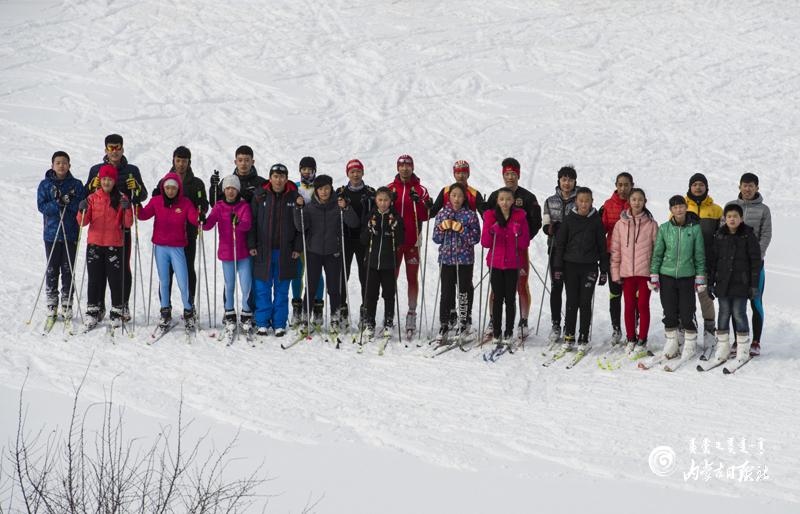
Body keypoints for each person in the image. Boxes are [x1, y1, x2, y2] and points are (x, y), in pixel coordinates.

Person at [85, 134, 147, 320]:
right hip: (99, 229)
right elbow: (86, 196)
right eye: (111, 148)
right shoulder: (96, 170)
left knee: (122, 268)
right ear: (105, 150)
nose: (114, 151)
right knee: (99, 270)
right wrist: (91, 186)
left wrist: (136, 188)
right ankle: (98, 305)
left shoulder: (131, 170)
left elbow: (142, 195)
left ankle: (122, 304)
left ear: (122, 149)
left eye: (117, 147)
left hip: (121, 228)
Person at [483, 158, 542, 336]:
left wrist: (523, 238)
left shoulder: (528, 197)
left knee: (521, 285)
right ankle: (493, 319)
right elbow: (487, 218)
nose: (510, 177)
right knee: (497, 288)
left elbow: (536, 221)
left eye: (513, 174)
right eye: (507, 174)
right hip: (499, 250)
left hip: (519, 249)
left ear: (518, 175)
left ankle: (523, 320)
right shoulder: (495, 196)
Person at [294, 174, 359, 331]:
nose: (324, 192)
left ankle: (335, 319)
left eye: (327, 188)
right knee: (311, 287)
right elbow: (300, 227)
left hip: (333, 253)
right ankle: (305, 318)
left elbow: (354, 223)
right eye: (320, 189)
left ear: (331, 189)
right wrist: (298, 209)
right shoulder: (309, 207)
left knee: (334, 288)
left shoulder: (338, 206)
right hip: (313, 252)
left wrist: (346, 208)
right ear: (316, 190)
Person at [138, 172, 200, 330]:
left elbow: (193, 218)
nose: (170, 191)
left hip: (177, 248)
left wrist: (200, 216)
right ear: (163, 188)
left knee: (183, 281)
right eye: (167, 188)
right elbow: (143, 215)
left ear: (178, 189)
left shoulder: (185, 203)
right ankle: (165, 311)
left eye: (173, 188)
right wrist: (136, 202)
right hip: (160, 248)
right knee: (164, 281)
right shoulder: (156, 201)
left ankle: (188, 311)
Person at [552, 187, 609, 353]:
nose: (584, 204)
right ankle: (569, 335)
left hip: (589, 267)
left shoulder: (596, 221)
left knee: (585, 302)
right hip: (570, 266)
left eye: (587, 201)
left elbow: (602, 246)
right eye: (581, 201)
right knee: (572, 301)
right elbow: (560, 245)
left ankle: (583, 336)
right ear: (576, 201)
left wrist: (604, 270)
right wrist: (558, 267)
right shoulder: (569, 219)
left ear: (592, 202)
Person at [151, 146, 208, 309]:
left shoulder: (196, 184)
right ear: (173, 161)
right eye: (178, 160)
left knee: (188, 270)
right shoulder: (164, 181)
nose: (181, 164)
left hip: (188, 235)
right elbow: (156, 202)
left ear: (189, 162)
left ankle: (189, 305)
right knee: (166, 272)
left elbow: (203, 204)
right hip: (166, 236)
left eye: (184, 161)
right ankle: (165, 306)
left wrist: (201, 209)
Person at [649, 195, 706, 360]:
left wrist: (700, 278)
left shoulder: (694, 229)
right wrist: (654, 276)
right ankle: (672, 342)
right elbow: (657, 254)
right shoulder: (664, 228)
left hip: (687, 276)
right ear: (671, 210)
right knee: (669, 312)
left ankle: (690, 343)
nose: (678, 209)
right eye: (675, 207)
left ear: (686, 207)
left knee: (687, 312)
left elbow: (699, 255)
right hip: (666, 276)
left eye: (681, 206)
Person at [77, 165, 133, 328]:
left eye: (110, 179)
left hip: (114, 245)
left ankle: (117, 311)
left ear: (114, 181)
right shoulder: (92, 198)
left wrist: (127, 208)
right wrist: (81, 210)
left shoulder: (121, 198)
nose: (106, 182)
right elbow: (83, 222)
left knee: (115, 280)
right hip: (95, 244)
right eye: (104, 179)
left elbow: (128, 223)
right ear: (100, 180)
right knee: (94, 278)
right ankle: (93, 311)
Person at [248, 163, 301, 337]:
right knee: (262, 288)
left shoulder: (294, 197)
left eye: (282, 177)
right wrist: (252, 244)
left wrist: (297, 247)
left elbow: (300, 226)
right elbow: (252, 222)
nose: (278, 180)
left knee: (282, 290)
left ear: (286, 179)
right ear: (270, 178)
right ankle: (262, 322)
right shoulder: (259, 196)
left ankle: (279, 323)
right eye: (275, 177)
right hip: (263, 250)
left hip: (286, 251)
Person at [707, 204, 761, 363]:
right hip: (723, 283)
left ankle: (742, 349)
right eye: (729, 216)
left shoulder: (748, 235)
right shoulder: (719, 235)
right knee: (723, 313)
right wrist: (711, 282)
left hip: (741, 283)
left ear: (741, 219)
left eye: (735, 216)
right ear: (724, 219)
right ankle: (723, 347)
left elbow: (755, 262)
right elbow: (713, 261)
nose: (732, 219)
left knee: (739, 313)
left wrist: (753, 285)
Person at [725, 172, 772, 356]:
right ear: (739, 186)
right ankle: (739, 340)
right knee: (737, 302)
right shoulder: (731, 206)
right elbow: (723, 230)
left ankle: (756, 341)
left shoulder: (764, 210)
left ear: (757, 188)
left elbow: (766, 234)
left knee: (756, 301)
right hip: (735, 265)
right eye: (745, 185)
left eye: (751, 185)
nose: (747, 189)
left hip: (755, 264)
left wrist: (755, 256)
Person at [37, 151, 86, 321]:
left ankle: (67, 301)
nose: (61, 166)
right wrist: (57, 202)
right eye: (58, 163)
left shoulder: (76, 184)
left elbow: (81, 206)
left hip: (70, 232)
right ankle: (52, 302)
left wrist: (69, 201)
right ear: (52, 165)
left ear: (69, 165)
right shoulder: (45, 185)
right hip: (51, 233)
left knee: (68, 268)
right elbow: (42, 207)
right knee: (52, 268)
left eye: (64, 163)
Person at [387, 154, 432, 338]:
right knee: (391, 277)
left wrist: (419, 202)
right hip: (394, 241)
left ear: (412, 167)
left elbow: (426, 215)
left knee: (412, 277)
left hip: (413, 241)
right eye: (401, 165)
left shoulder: (420, 189)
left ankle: (412, 313)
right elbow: (381, 209)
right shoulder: (390, 188)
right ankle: (389, 312)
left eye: (408, 165)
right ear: (397, 168)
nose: (405, 168)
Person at [202, 175, 253, 336]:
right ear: (224, 190)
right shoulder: (219, 206)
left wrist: (238, 222)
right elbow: (208, 225)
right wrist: (202, 220)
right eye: (228, 188)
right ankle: (229, 313)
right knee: (229, 285)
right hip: (227, 253)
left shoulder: (244, 206)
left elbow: (247, 224)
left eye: (233, 188)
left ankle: (246, 314)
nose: (230, 191)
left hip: (243, 253)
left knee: (246, 285)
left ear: (238, 190)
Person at [610, 188, 658, 354]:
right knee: (629, 306)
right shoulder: (620, 224)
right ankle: (631, 337)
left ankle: (642, 339)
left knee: (643, 305)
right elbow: (615, 250)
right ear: (629, 202)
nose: (637, 202)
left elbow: (657, 251)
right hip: (627, 274)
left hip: (645, 274)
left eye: (640, 199)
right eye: (634, 199)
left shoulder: (651, 224)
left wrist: (655, 274)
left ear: (645, 202)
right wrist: (616, 272)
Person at [432, 182, 481, 341]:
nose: (456, 199)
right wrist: (442, 228)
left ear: (464, 197)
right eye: (453, 195)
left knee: (463, 291)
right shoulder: (442, 214)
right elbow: (436, 238)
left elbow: (475, 238)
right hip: (446, 259)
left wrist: (462, 229)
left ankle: (464, 321)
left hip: (464, 259)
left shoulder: (470, 215)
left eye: (460, 196)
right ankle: (444, 323)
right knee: (446, 292)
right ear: (449, 197)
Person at [481, 188, 530, 344]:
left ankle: (508, 331)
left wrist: (519, 233)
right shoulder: (490, 216)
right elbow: (485, 242)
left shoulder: (520, 217)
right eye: (502, 199)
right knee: (497, 297)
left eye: (508, 199)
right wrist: (491, 231)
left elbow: (524, 243)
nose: (505, 202)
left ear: (513, 201)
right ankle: (496, 331)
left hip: (512, 263)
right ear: (497, 200)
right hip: (495, 263)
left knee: (510, 298)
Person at [360, 187, 404, 340]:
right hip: (372, 264)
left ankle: (388, 322)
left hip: (388, 263)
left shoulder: (395, 217)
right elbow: (363, 240)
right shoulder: (371, 216)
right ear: (376, 200)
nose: (383, 203)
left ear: (391, 201)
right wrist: (369, 229)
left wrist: (395, 228)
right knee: (371, 295)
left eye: (386, 200)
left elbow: (400, 240)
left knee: (389, 294)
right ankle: (369, 323)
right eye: (380, 200)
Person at [336, 159, 376, 325]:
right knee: (342, 275)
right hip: (345, 239)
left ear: (363, 172)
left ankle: (365, 309)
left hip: (364, 240)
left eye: (358, 171)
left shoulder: (370, 193)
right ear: (347, 174)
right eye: (352, 172)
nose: (355, 175)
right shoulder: (340, 192)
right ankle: (341, 308)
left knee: (365, 276)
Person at [542, 165, 578, 342]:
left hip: (573, 250)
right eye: (564, 179)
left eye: (570, 180)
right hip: (555, 248)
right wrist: (550, 228)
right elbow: (545, 224)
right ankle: (555, 324)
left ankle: (569, 325)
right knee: (556, 287)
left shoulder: (580, 199)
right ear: (559, 181)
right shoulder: (550, 201)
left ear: (575, 182)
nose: (567, 183)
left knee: (571, 288)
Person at [684, 172, 722, 340]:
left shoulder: (716, 210)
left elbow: (721, 237)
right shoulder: (682, 207)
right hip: (685, 262)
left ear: (706, 187)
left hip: (706, 262)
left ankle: (709, 332)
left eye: (701, 184)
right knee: (685, 299)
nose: (698, 187)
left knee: (705, 297)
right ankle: (688, 330)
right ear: (690, 187)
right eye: (695, 185)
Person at [290, 156, 325, 325]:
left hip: (315, 236)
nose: (306, 172)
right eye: (303, 169)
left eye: (309, 170)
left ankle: (317, 307)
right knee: (297, 272)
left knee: (316, 273)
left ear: (314, 171)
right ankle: (297, 307)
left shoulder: (320, 189)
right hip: (298, 236)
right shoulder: (295, 187)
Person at [600, 172, 633, 343]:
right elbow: (602, 230)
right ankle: (616, 329)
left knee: (631, 294)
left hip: (632, 256)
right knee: (615, 293)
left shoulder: (636, 202)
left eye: (626, 185)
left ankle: (633, 328)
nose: (623, 188)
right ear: (616, 185)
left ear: (632, 185)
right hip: (613, 254)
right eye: (620, 184)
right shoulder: (608, 204)